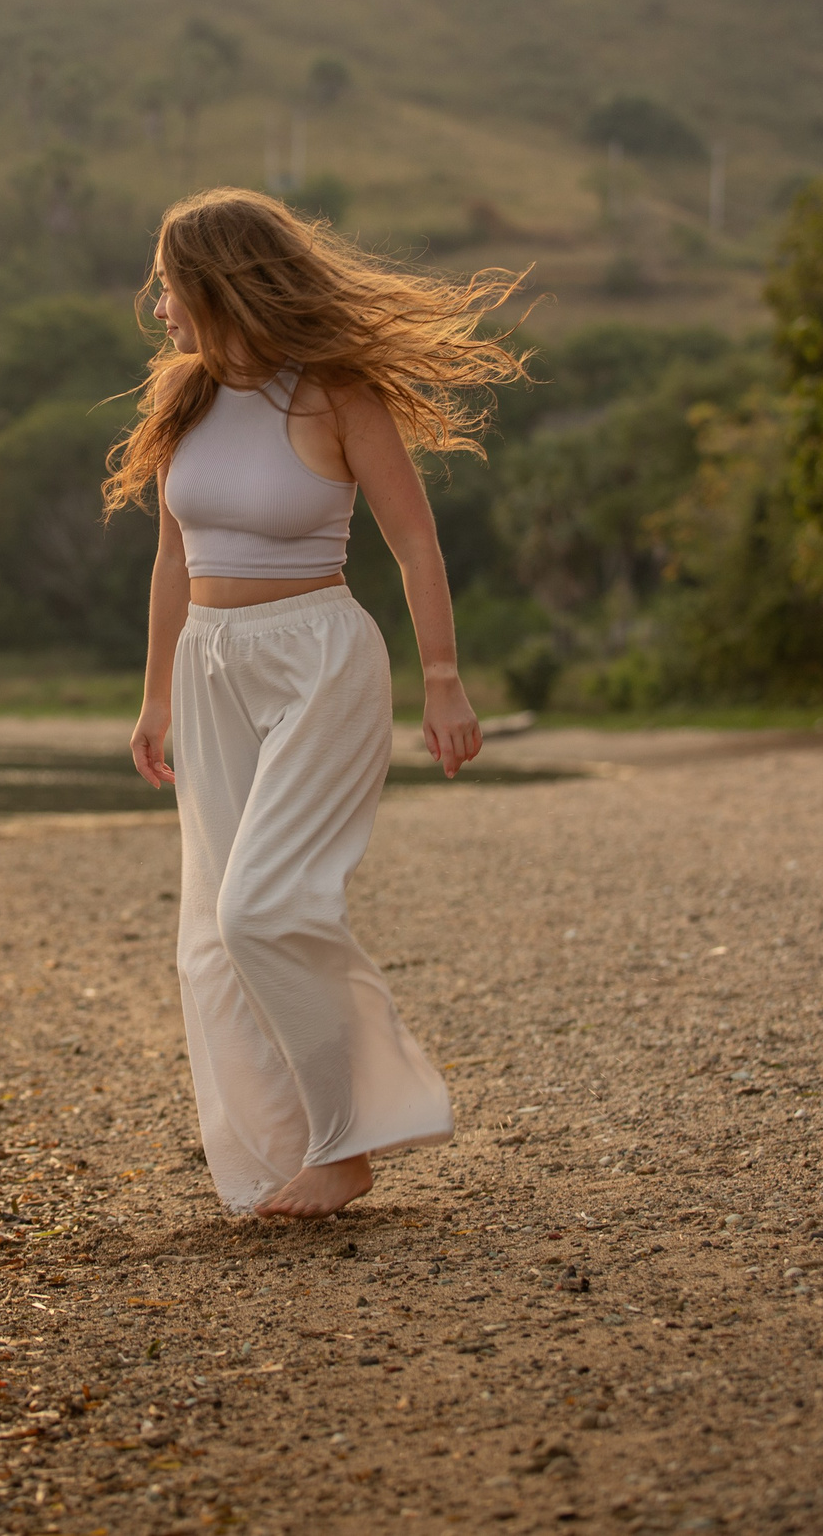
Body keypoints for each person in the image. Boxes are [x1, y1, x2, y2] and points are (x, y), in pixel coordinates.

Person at [106, 188, 524, 1219]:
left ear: (217, 284)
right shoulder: (185, 397)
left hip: (319, 664)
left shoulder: (334, 394)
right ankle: (288, 1150)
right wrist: (156, 693)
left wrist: (441, 679)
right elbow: (171, 555)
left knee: (265, 906)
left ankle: (352, 1141)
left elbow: (414, 540)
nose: (158, 305)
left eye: (168, 285)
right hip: (209, 667)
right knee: (211, 933)